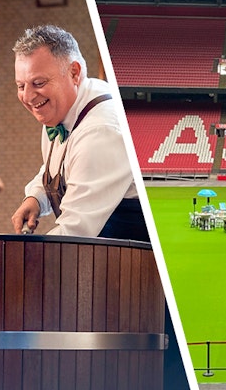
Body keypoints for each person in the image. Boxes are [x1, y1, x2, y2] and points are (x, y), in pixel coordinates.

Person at [10, 25, 147, 242]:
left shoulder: (100, 131)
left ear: (74, 72)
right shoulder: (61, 110)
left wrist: (24, 258)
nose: (27, 96)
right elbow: (57, 169)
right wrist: (35, 198)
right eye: (20, 86)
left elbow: (74, 232)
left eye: (39, 83)